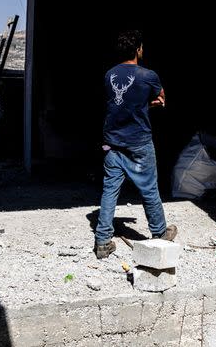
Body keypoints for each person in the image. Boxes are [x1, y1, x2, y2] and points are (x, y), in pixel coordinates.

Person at [93, 30, 177, 259]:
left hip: (112, 141)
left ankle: (102, 241)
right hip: (138, 142)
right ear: (139, 49)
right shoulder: (148, 75)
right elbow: (161, 99)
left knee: (110, 190)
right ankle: (159, 232)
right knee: (148, 188)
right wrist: (147, 106)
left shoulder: (109, 75)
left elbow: (116, 105)